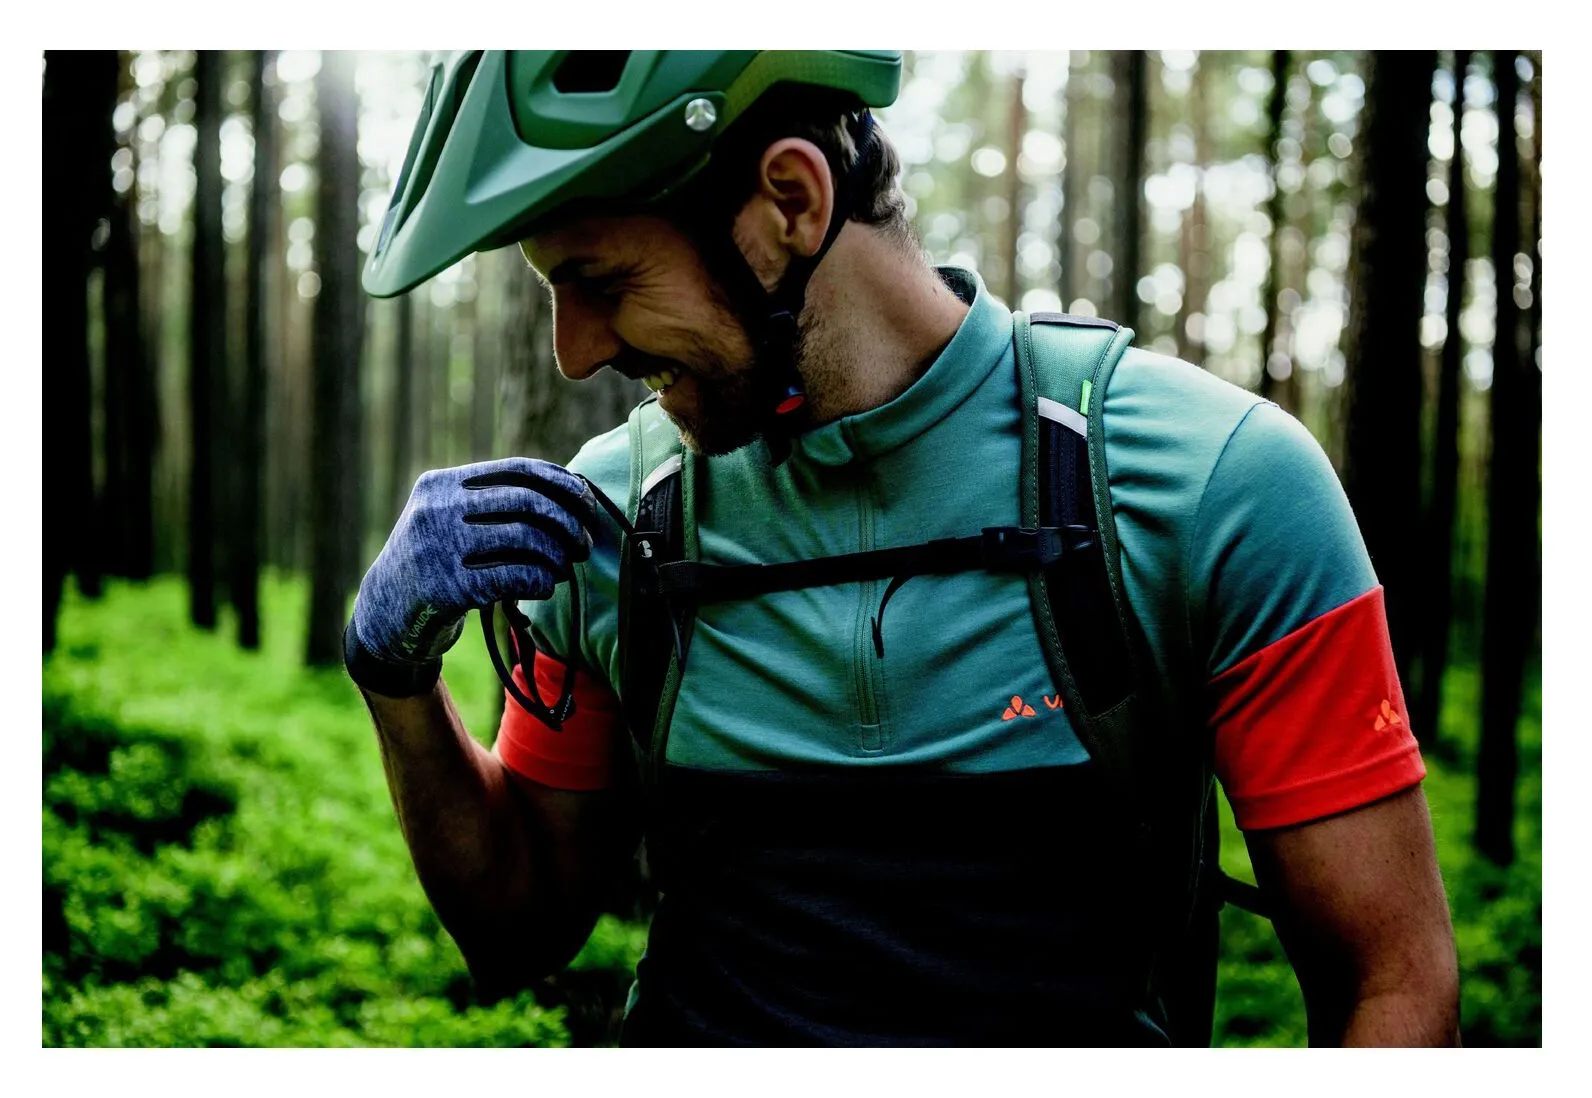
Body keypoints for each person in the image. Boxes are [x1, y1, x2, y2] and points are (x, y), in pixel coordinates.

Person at [346, 50, 1460, 1046]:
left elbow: (1394, 987)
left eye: (601, 282)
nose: (576, 354)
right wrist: (396, 677)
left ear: (790, 200)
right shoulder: (615, 518)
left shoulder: (1216, 482)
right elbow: (518, 926)